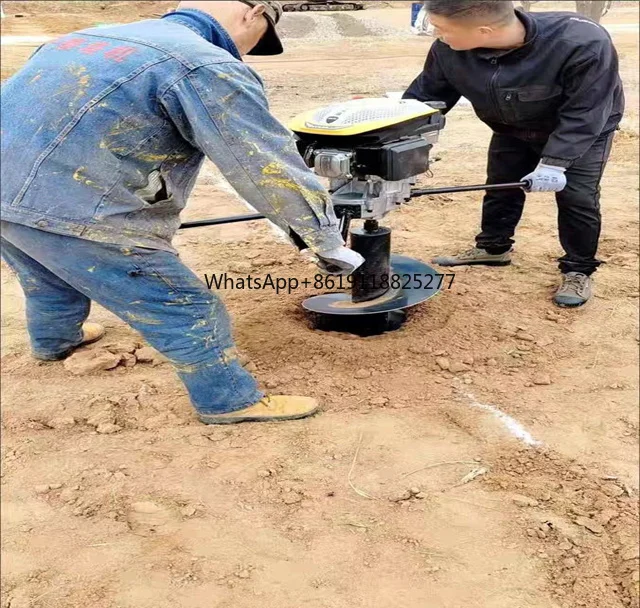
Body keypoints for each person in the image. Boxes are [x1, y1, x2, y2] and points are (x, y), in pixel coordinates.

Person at [0, 0, 364, 424]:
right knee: (186, 307)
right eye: (260, 39)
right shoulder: (203, 64)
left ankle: (55, 343)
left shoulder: (87, 37)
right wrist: (323, 239)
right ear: (254, 13)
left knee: (45, 274)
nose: (245, 52)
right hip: (77, 207)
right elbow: (262, 164)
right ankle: (227, 401)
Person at [404, 0, 624, 307]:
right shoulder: (449, 49)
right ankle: (493, 248)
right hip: (511, 125)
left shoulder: (581, 42)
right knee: (501, 184)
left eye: (440, 28)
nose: (435, 34)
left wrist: (555, 163)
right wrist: (396, 140)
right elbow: (426, 99)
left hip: (583, 130)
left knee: (577, 196)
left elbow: (586, 112)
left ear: (484, 30)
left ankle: (578, 269)